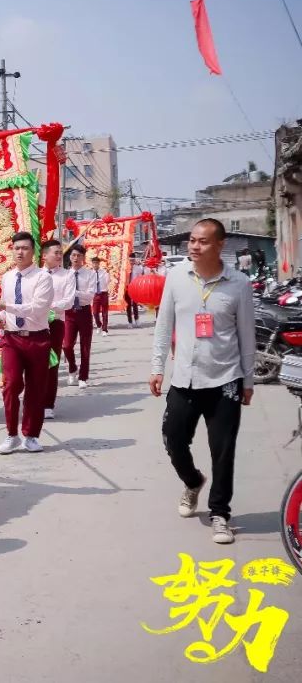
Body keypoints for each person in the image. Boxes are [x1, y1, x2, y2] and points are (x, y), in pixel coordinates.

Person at [151, 219, 256, 546]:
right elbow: (163, 325)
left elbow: (246, 335)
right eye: (192, 241)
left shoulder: (238, 284)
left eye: (203, 242)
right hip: (184, 377)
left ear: (220, 245)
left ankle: (220, 514)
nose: (194, 247)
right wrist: (157, 367)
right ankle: (193, 481)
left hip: (226, 380)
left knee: (223, 451)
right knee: (172, 437)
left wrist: (248, 380)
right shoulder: (176, 277)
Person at [0, 232, 54, 454]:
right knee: (10, 385)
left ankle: (31, 435)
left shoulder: (42, 278)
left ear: (33, 251)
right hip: (12, 338)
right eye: (16, 248)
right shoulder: (7, 277)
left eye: (25, 248)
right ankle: (11, 434)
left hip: (37, 339)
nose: (20, 252)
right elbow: (3, 307)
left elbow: (37, 309)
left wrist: (7, 308)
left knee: (36, 390)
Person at [42, 239, 74, 421]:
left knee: (52, 363)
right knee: (35, 364)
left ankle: (48, 404)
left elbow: (68, 301)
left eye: (60, 252)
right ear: (45, 255)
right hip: (36, 323)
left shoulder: (67, 275)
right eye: (56, 252)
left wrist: (49, 307)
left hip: (56, 323)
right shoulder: (37, 274)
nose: (60, 255)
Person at [63, 245, 96, 390]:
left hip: (84, 311)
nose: (76, 258)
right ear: (70, 257)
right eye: (73, 255)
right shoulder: (64, 274)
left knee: (85, 346)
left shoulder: (90, 274)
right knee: (67, 345)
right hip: (69, 312)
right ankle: (72, 368)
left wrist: (74, 293)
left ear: (83, 258)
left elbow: (90, 295)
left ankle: (83, 376)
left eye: (79, 256)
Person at [90, 256, 112, 335]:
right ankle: (99, 325)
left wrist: (108, 273)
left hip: (103, 294)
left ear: (99, 264)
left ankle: (104, 329)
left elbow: (107, 282)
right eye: (94, 263)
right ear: (92, 264)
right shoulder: (90, 273)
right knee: (95, 313)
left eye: (97, 263)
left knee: (104, 312)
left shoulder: (104, 272)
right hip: (95, 294)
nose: (95, 265)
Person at [125, 253, 144, 328]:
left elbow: (141, 276)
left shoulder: (138, 267)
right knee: (128, 306)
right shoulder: (125, 268)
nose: (131, 262)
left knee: (135, 304)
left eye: (133, 260)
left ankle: (137, 319)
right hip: (126, 288)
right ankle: (130, 322)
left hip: (135, 288)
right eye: (130, 260)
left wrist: (139, 264)